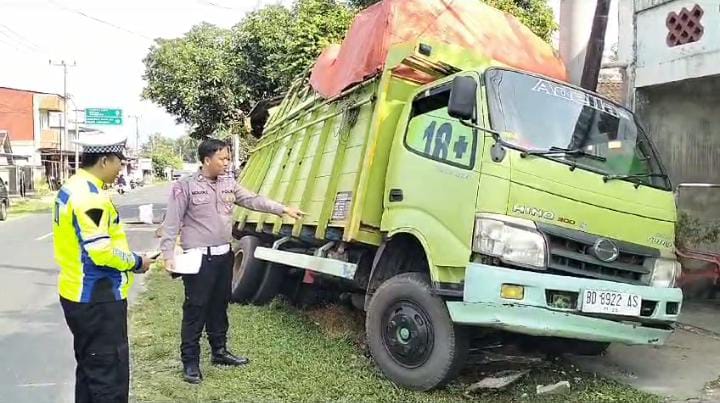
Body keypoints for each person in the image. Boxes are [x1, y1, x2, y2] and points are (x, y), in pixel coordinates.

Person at [160, 138, 304, 384]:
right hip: (199, 258)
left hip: (223, 256)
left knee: (219, 305)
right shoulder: (184, 186)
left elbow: (253, 199)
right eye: (223, 158)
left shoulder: (228, 183)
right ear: (207, 160)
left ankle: (220, 351)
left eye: (228, 158)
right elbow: (171, 222)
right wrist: (168, 255)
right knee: (196, 308)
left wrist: (281, 209)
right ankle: (191, 362)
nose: (227, 163)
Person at [53, 133, 155, 403]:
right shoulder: (90, 197)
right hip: (97, 297)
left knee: (89, 371)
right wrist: (136, 262)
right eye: (119, 161)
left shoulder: (72, 186)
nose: (121, 167)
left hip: (78, 293)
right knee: (109, 378)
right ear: (104, 160)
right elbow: (100, 251)